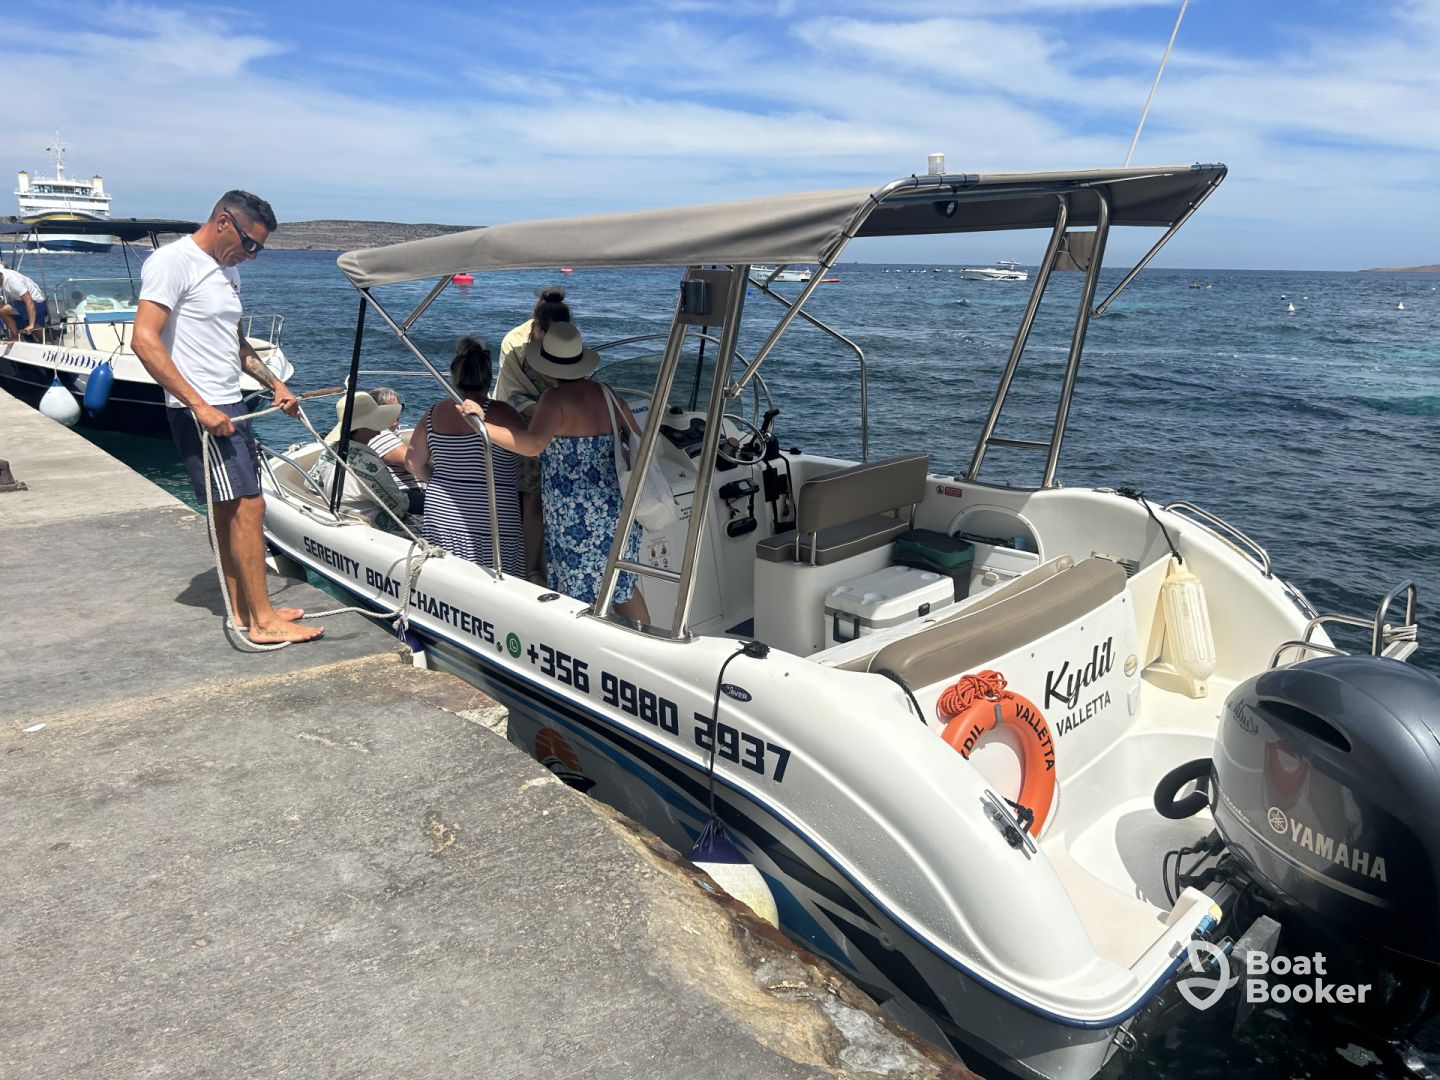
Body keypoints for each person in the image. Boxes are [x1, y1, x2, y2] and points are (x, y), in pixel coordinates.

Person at [132, 190, 323, 645]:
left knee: (228, 509)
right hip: (202, 410)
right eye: (249, 243)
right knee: (249, 507)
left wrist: (274, 383)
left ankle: (244, 611)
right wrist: (199, 406)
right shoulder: (172, 262)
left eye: (259, 248)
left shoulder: (227, 270)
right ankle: (263, 621)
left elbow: (235, 344)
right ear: (223, 222)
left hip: (230, 403)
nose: (252, 255)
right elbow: (144, 339)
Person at [463, 322, 650, 626]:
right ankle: (647, 636)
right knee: (622, 583)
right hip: (615, 505)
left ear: (546, 367)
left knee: (578, 589)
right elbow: (638, 437)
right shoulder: (608, 393)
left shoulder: (554, 399)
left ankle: (586, 645)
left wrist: (482, 425)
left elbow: (533, 444)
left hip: (575, 514)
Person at [405, 337, 526, 573]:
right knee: (497, 580)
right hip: (493, 516)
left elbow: (412, 462)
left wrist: (442, 481)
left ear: (455, 375)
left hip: (441, 512)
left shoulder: (433, 413)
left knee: (444, 577)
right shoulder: (505, 414)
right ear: (488, 377)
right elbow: (529, 458)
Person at [496, 287, 570, 585]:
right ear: (537, 327)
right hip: (530, 425)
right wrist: (553, 415)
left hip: (563, 426)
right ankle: (529, 569)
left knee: (555, 498)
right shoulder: (514, 343)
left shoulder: (567, 337)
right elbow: (510, 393)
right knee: (532, 499)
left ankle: (549, 563)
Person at [323, 390, 424, 515]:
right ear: (363, 426)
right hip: (373, 518)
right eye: (376, 419)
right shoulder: (372, 465)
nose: (381, 424)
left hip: (346, 511)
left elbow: (312, 485)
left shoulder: (330, 451)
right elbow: (400, 505)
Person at [0, 264, 48, 341]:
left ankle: (14, 337)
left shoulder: (13, 281)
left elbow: (29, 301)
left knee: (3, 310)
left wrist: (31, 324)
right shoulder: (3, 274)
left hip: (37, 302)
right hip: (22, 302)